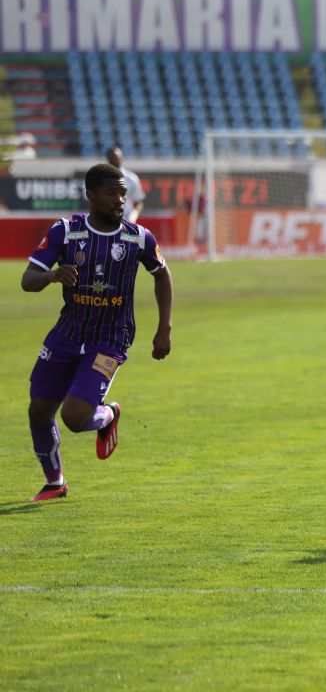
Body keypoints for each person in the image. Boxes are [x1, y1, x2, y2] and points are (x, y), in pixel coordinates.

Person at [22, 162, 173, 501]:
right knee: (39, 411)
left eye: (123, 193)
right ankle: (55, 482)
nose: (120, 200)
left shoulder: (138, 237)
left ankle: (107, 414)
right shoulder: (66, 232)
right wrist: (51, 276)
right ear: (90, 195)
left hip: (110, 338)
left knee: (75, 417)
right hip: (68, 332)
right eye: (112, 193)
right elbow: (28, 279)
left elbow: (162, 275)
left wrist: (164, 328)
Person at [106, 145, 145, 223]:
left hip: (126, 219)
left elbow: (138, 201)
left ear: (122, 158)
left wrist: (133, 216)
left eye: (117, 158)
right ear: (108, 159)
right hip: (106, 220)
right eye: (113, 158)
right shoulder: (102, 178)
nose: (115, 160)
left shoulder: (131, 178)